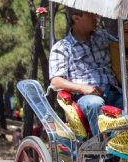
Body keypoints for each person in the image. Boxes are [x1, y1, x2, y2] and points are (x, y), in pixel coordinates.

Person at [49, 8, 122, 137]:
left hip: (114, 91)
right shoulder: (61, 48)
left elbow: (123, 48)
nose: (96, 17)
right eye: (91, 14)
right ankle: (101, 148)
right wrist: (83, 88)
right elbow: (55, 82)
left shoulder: (103, 36)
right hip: (84, 97)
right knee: (95, 104)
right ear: (76, 17)